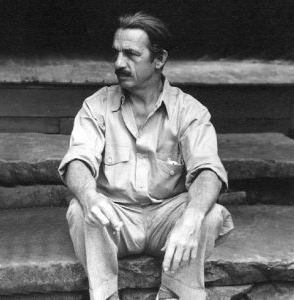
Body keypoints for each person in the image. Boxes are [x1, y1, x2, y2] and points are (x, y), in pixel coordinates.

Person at [59, 11, 234, 300]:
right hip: (116, 219)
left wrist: (190, 217)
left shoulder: (189, 110)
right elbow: (78, 159)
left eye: (130, 54)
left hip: (168, 219)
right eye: (116, 53)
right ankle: (105, 295)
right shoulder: (97, 105)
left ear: (159, 59)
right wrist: (91, 197)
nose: (118, 63)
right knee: (81, 210)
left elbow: (208, 170)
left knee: (209, 214)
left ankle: (174, 294)